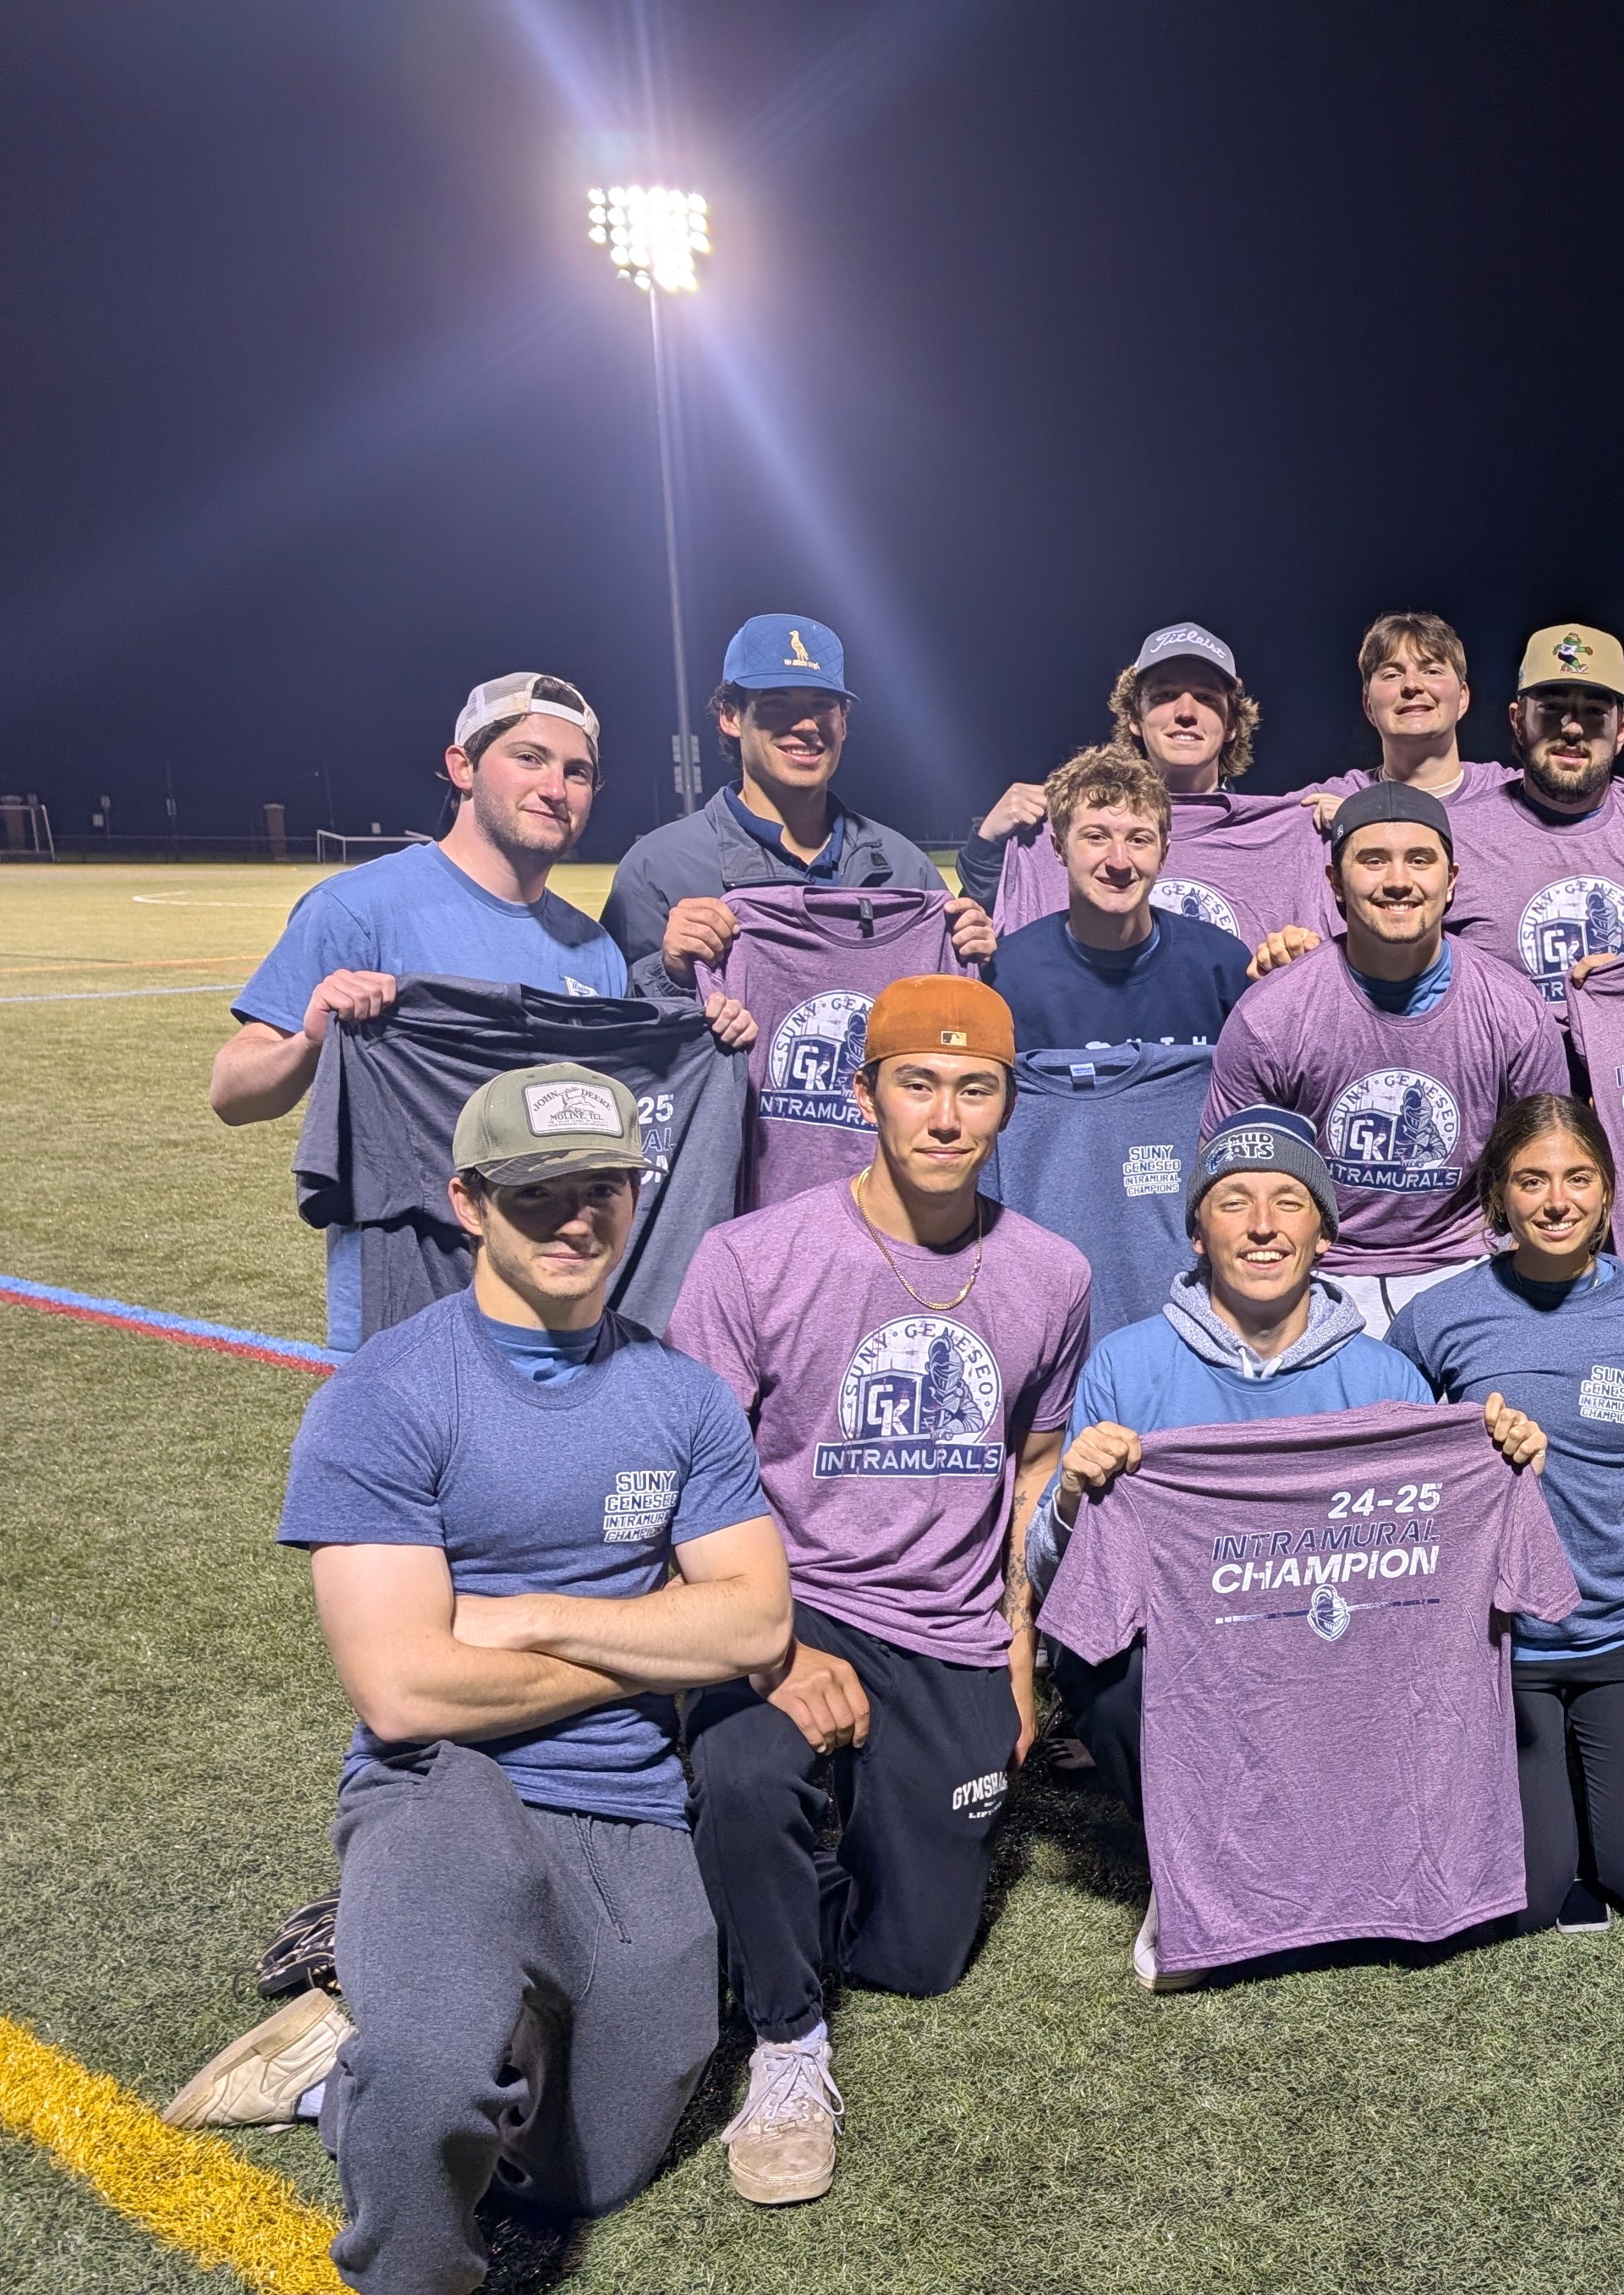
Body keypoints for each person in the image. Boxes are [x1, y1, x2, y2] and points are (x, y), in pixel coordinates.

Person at [161, 1064, 791, 2295]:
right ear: (467, 1205)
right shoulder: (387, 1393)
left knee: (600, 2165)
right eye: (540, 1195)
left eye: (604, 1189)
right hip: (436, 1780)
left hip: (624, 1794)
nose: (578, 1219)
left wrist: (526, 1618)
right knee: (442, 2072)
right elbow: (405, 1686)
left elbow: (755, 1623)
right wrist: (649, 1643)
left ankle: (346, 2044)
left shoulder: (679, 1393)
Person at [663, 976, 1089, 2206]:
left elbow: (1034, 1463)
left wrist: (1015, 1645)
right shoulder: (753, 1257)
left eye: (975, 1088)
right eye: (917, 1082)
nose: (946, 1115)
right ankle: (788, 2048)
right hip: (792, 1600)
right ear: (865, 1094)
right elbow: (699, 1483)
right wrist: (772, 1660)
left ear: (1008, 1103)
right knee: (745, 1777)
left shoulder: (1050, 1273)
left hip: (949, 1625)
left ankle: (787, 1875)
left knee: (923, 1960)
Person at [1019, 1108, 1544, 1979]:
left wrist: (1503, 1459)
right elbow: (1055, 1576)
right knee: (1102, 1672)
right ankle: (1189, 1867)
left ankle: (1350, 1853)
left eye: (1289, 1202)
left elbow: (1431, 1562)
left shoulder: (1382, 1376)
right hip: (1198, 1652)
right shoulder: (1127, 1364)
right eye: (1234, 1202)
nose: (1263, 1225)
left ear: (1325, 1235)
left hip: (1332, 1654)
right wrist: (1073, 1494)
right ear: (1196, 1231)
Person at [213, 672, 750, 1351]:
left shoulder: (595, 952)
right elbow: (232, 1093)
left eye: (577, 772)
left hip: (557, 1327)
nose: (555, 789)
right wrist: (310, 1041)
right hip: (410, 1324)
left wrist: (708, 1029)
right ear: (461, 766)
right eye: (528, 758)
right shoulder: (358, 910)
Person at [1391, 1096, 1624, 1932]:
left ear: (1607, 1191)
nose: (1555, 1201)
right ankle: (1548, 1787)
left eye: (1577, 1178)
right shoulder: (1436, 1318)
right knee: (1528, 1900)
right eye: (1531, 1180)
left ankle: (1610, 1767)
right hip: (1503, 1643)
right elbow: (1394, 1465)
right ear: (1498, 1194)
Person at [1206, 782, 1568, 1333]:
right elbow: (1229, 1179)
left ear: (1450, 882)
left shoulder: (1515, 1010)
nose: (1398, 881)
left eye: (1419, 860)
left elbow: (1547, 1167)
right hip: (1317, 1267)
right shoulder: (1273, 1015)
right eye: (1373, 860)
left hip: (1467, 1263)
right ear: (1335, 882)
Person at [606, 615, 987, 996]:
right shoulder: (657, 871)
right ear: (730, 716)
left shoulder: (906, 869)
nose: (806, 725)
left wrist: (973, 958)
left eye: (823, 706)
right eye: (776, 704)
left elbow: (945, 1026)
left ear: (844, 723)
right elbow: (619, 1033)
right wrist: (670, 973)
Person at [965, 623, 1332, 950]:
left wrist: (1358, 825)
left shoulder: (1287, 833)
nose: (1186, 712)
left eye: (1206, 698)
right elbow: (977, 929)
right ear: (1135, 720)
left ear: (1233, 723)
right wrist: (987, 847)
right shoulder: (1065, 822)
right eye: (1164, 696)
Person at [1435, 623, 1624, 1004]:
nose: (1572, 728)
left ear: (1622, 731)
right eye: (1552, 708)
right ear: (1518, 721)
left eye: (1594, 711)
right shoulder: (1453, 838)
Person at [989, 741, 1256, 1052]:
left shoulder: (1225, 967)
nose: (1119, 861)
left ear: (1163, 855)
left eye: (1139, 840)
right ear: (1059, 848)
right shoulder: (1007, 975)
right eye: (1096, 837)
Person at [1298, 611, 1509, 821]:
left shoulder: (1515, 794)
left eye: (1432, 671)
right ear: (1368, 705)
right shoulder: (1330, 801)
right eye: (1392, 675)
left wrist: (1367, 821)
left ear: (1462, 698)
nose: (1411, 685)